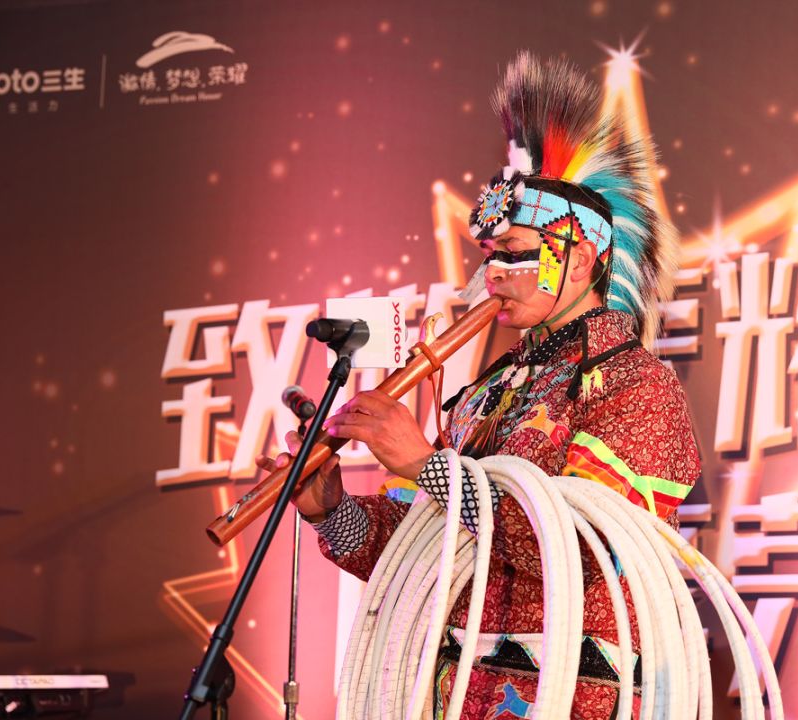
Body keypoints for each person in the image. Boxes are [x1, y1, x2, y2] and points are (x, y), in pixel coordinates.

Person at [257, 52, 701, 719]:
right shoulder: (485, 395)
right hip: (453, 692)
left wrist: (427, 465)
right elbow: (421, 553)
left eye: (517, 255)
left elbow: (583, 549)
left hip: (571, 699)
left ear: (582, 257)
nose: (493, 275)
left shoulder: (635, 385)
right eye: (490, 257)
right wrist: (333, 510)